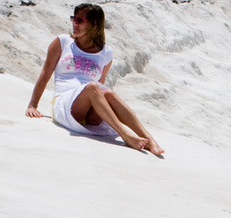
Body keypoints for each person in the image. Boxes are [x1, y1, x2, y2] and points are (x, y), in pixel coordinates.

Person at [26, 5, 163, 156]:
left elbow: (101, 86)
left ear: (94, 24)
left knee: (109, 94)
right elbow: (46, 73)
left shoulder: (106, 53)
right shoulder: (62, 42)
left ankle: (149, 139)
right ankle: (125, 135)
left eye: (80, 20)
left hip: (89, 107)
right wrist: (33, 105)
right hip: (65, 104)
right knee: (92, 87)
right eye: (74, 19)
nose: (74, 24)